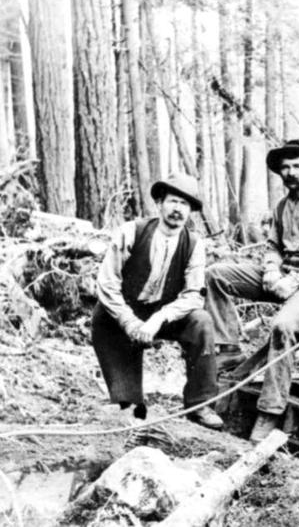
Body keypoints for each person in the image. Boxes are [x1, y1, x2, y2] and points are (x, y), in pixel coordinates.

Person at [205, 140, 299, 442]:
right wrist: (271, 269)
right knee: (216, 275)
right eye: (284, 167)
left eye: (296, 165)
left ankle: (270, 411)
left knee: (282, 326)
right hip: (281, 277)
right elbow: (273, 247)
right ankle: (229, 351)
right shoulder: (282, 206)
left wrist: (294, 281)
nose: (290, 172)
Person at [91, 173, 223, 429]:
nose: (177, 209)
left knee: (201, 321)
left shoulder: (194, 244)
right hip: (122, 316)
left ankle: (200, 404)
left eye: (185, 204)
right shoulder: (131, 232)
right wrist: (130, 322)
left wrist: (158, 319)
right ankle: (126, 400)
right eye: (173, 201)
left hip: (164, 315)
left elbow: (193, 294)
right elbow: (107, 284)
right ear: (160, 203)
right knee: (130, 413)